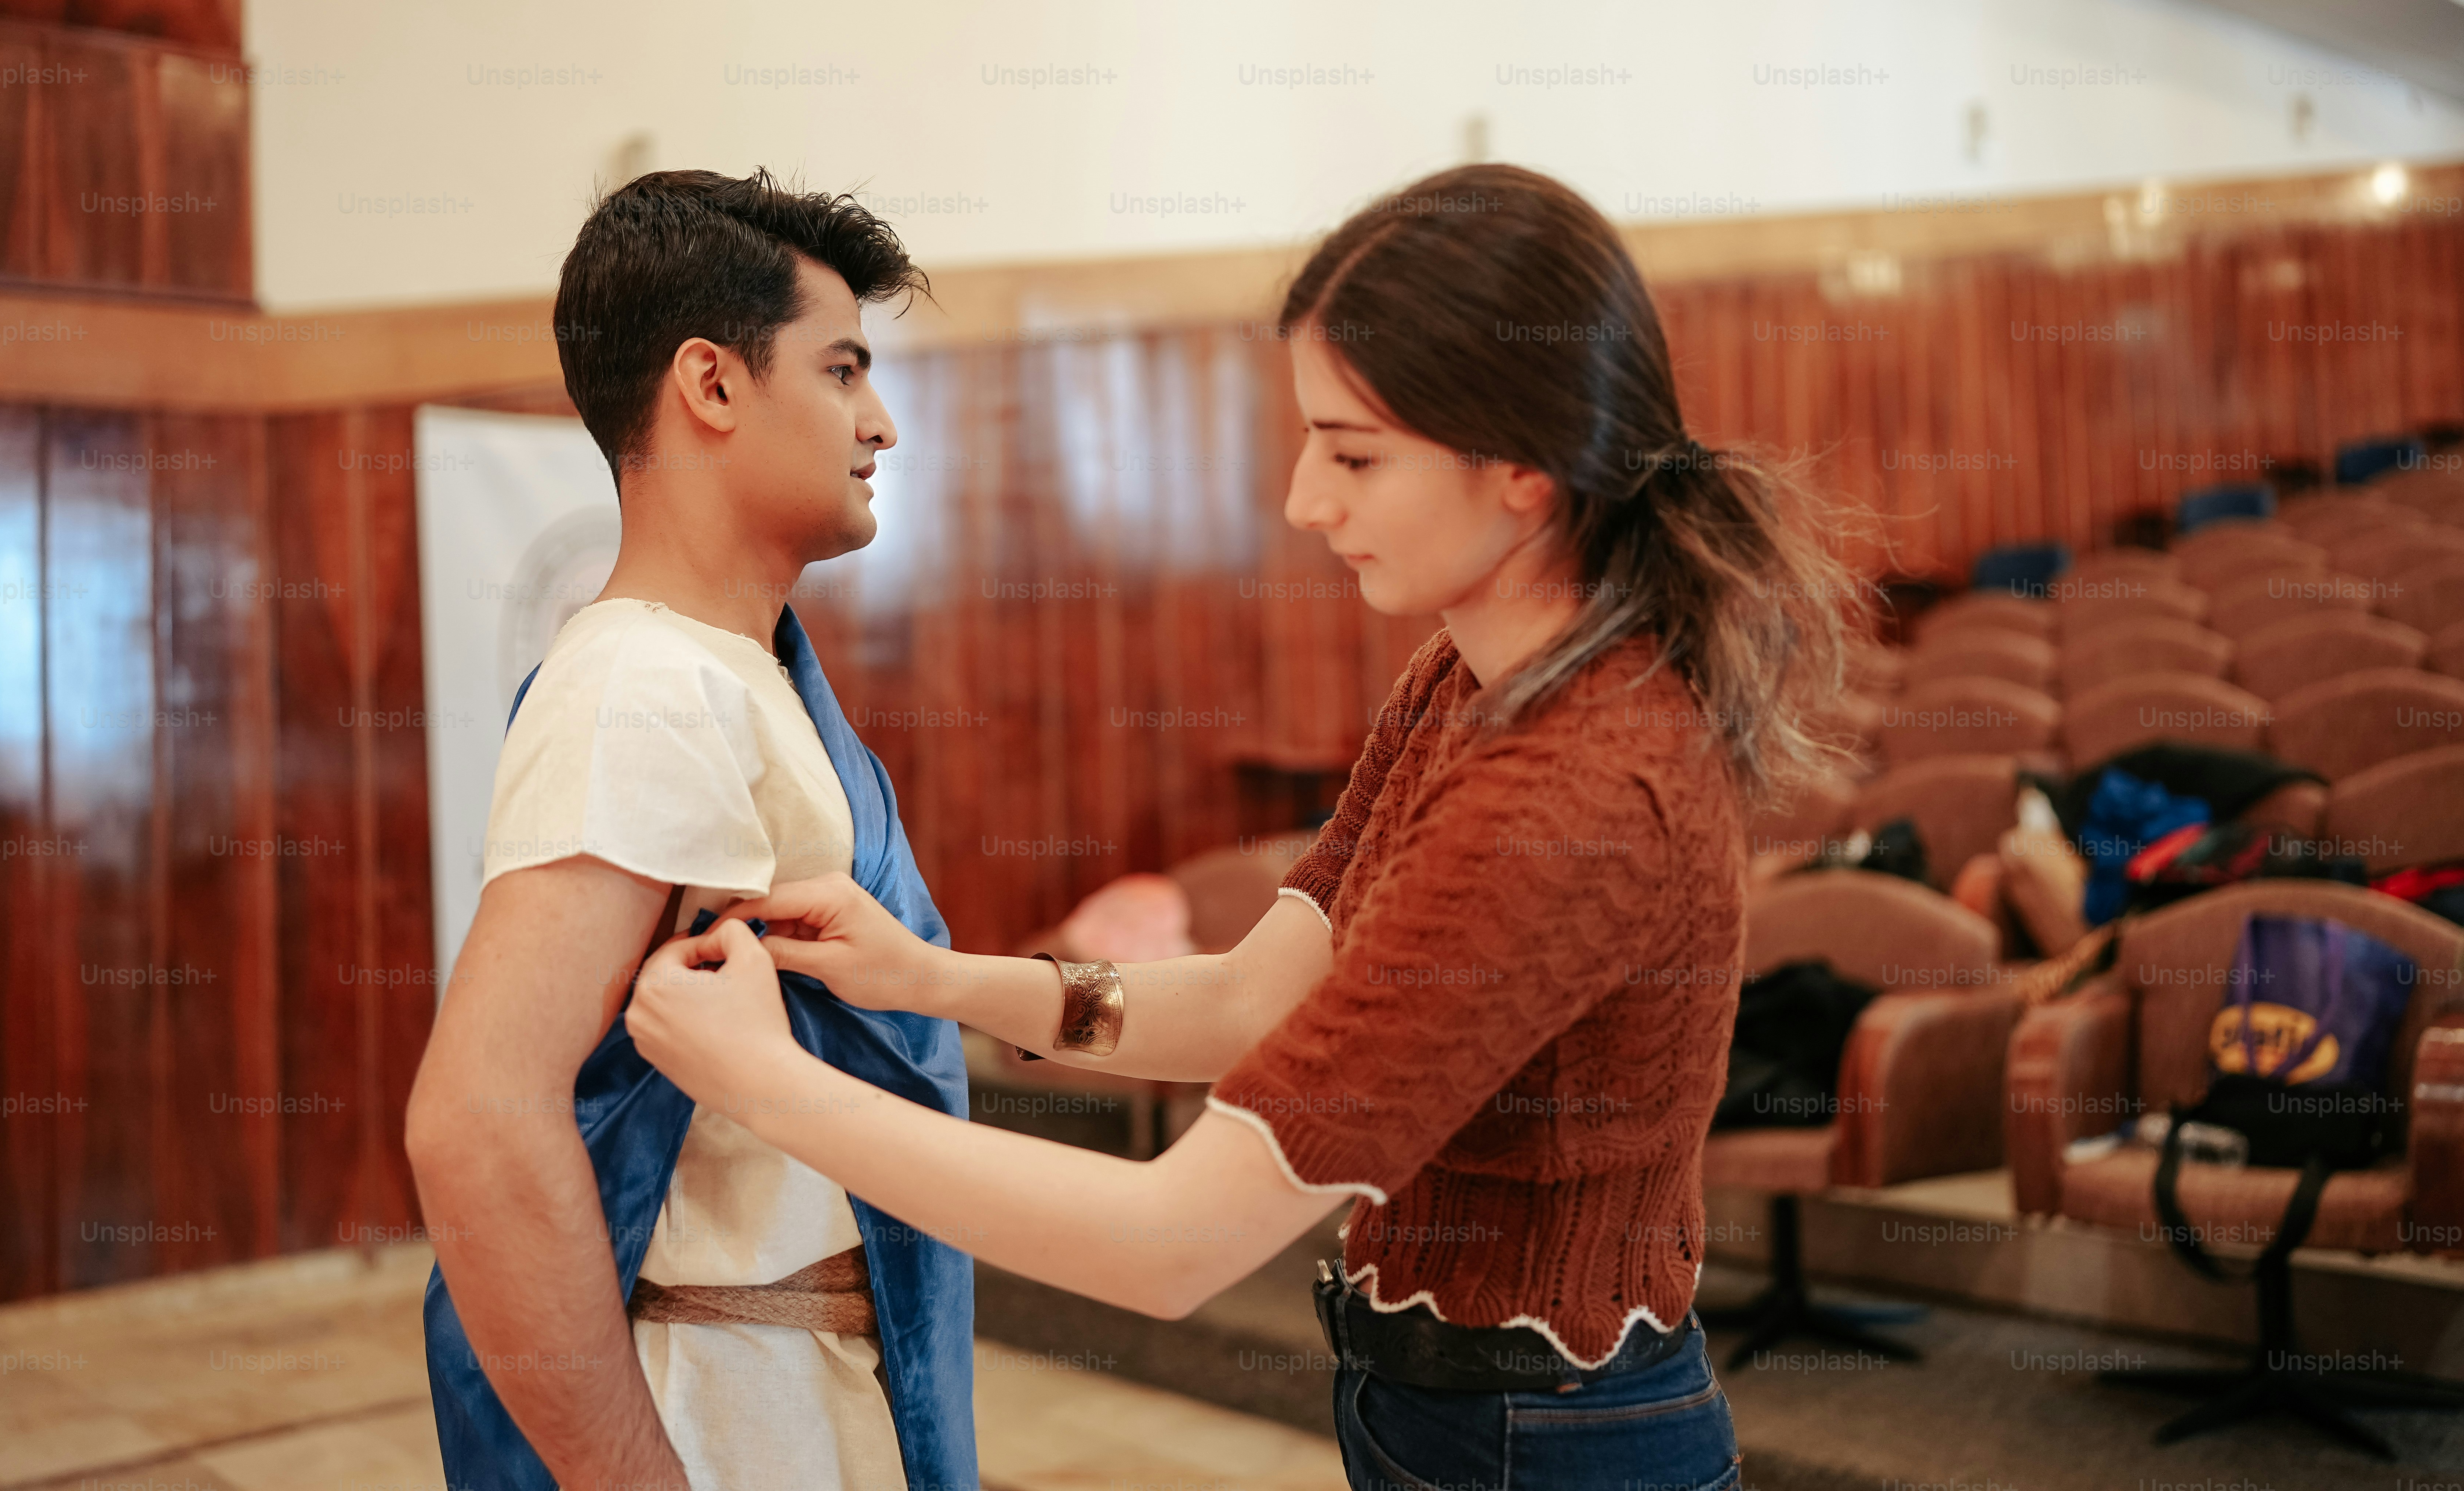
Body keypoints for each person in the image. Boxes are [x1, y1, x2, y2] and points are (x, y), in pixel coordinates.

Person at [627, 163, 1869, 1491]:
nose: (1304, 501)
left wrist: (764, 1083)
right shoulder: (1466, 677)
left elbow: (1175, 1243)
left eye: (1353, 454)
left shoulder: (1578, 786)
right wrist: (935, 984)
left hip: (1555, 1438)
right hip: (1453, 1406)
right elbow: (1255, 997)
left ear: (1523, 463)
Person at [404, 170, 974, 1491]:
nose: (880, 424)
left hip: (809, 1372)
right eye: (843, 372)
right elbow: (482, 1124)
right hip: (730, 1402)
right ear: (712, 386)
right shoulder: (644, 686)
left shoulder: (733, 665)